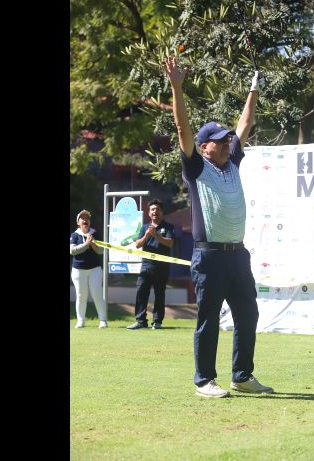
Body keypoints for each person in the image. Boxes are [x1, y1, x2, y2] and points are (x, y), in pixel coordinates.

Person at [163, 55, 274, 398]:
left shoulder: (232, 162)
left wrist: (254, 88)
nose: (228, 143)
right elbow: (182, 128)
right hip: (208, 256)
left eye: (228, 140)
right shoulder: (197, 167)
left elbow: (245, 123)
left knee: (248, 314)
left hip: (237, 255)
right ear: (204, 146)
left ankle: (242, 376)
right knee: (208, 320)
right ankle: (204, 382)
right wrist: (176, 87)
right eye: (220, 141)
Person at [126, 199, 176, 330]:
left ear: (162, 212)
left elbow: (170, 243)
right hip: (146, 266)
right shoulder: (144, 227)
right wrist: (147, 235)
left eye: (157, 209)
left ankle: (157, 322)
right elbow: (137, 244)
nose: (155, 212)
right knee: (141, 292)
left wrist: (157, 235)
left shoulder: (168, 227)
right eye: (152, 210)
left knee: (160, 294)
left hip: (162, 267)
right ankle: (140, 321)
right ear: (149, 213)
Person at [70, 209, 108, 328]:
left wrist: (93, 244)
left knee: (97, 293)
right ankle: (81, 320)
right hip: (78, 270)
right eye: (83, 218)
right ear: (78, 222)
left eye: (87, 218)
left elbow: (101, 251)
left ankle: (103, 320)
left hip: (95, 269)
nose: (85, 220)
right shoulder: (74, 235)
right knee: (81, 295)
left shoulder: (95, 233)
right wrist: (86, 245)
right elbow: (72, 251)